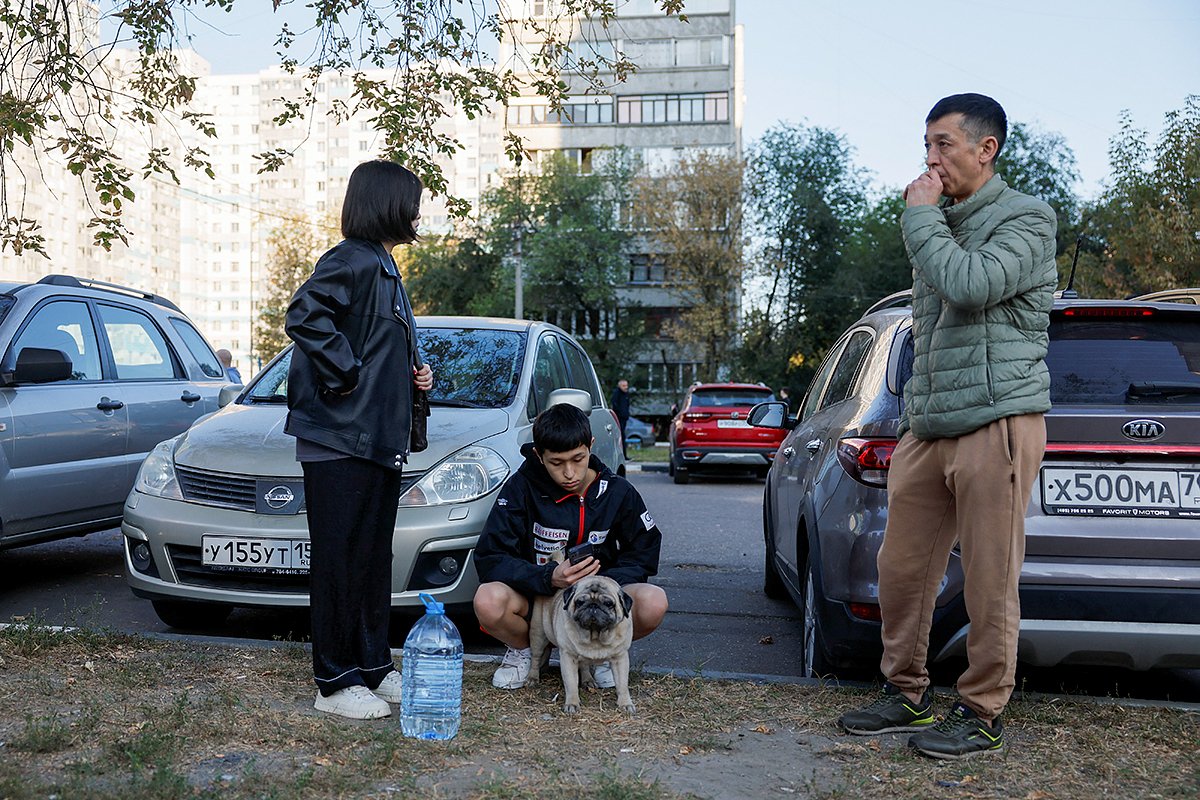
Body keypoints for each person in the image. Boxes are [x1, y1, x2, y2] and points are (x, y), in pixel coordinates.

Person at [838, 94, 1057, 759]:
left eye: (943, 145)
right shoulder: (942, 220)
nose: (929, 160)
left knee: (991, 578)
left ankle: (982, 709)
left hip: (998, 418)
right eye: (925, 146)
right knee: (900, 569)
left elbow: (970, 284)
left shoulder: (1027, 217)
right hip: (929, 423)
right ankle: (905, 691)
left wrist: (921, 218)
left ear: (985, 149)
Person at [284, 159, 434, 720]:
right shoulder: (352, 259)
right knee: (341, 561)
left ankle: (372, 667)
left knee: (370, 561)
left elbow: (372, 344)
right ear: (385, 202)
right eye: (411, 200)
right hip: (340, 439)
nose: (418, 211)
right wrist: (348, 374)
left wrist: (413, 374)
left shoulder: (383, 264)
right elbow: (305, 315)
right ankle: (335, 681)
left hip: (372, 438)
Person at [473, 402, 668, 691]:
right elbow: (491, 557)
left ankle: (602, 653)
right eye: (557, 463)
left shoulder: (617, 491)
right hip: (538, 602)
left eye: (578, 459)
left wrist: (604, 584)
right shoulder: (520, 488)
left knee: (654, 602)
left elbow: (645, 550)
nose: (569, 473)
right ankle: (526, 652)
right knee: (487, 600)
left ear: (591, 445)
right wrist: (547, 577)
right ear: (539, 455)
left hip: (598, 600)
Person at [610, 378, 631, 456]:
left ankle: (624, 455)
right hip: (619, 418)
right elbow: (615, 405)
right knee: (620, 436)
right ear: (620, 386)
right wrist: (620, 413)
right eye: (624, 385)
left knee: (623, 436)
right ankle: (621, 455)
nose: (626, 387)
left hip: (624, 418)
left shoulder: (626, 395)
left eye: (626, 385)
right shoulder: (617, 394)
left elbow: (627, 405)